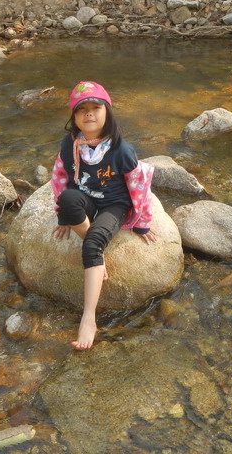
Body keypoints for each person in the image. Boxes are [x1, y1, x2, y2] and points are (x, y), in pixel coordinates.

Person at [50, 81, 157, 351]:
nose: (89, 113)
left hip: (114, 204)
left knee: (93, 243)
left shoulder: (121, 150)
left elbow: (139, 187)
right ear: (74, 117)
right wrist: (63, 217)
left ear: (107, 112)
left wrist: (142, 223)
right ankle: (96, 252)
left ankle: (89, 318)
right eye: (81, 109)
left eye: (96, 107)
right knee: (67, 200)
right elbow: (60, 177)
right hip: (85, 198)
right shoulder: (70, 145)